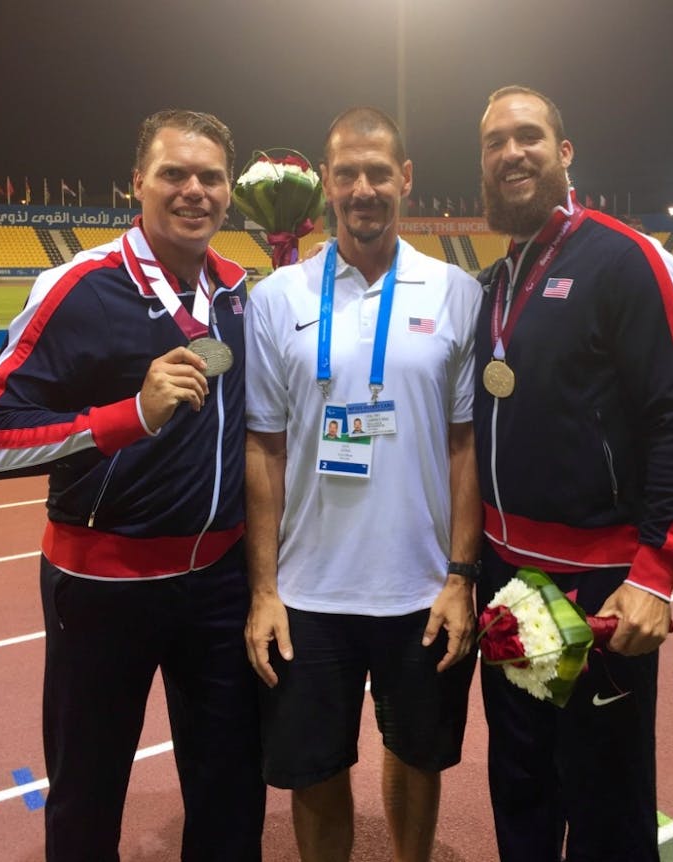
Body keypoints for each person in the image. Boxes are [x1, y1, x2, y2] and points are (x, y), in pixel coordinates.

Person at [0, 109, 265, 861]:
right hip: (102, 585)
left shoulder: (243, 293)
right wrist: (125, 417)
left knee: (230, 787)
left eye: (210, 176)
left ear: (230, 190)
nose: (193, 190)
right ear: (136, 182)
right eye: (174, 173)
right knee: (87, 791)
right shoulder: (79, 286)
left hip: (218, 585)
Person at [474, 85, 673, 862]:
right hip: (509, 580)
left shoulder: (626, 258)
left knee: (608, 808)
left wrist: (654, 573)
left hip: (599, 590)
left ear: (564, 151)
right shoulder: (498, 278)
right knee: (522, 792)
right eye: (493, 143)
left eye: (528, 137)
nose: (511, 153)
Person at [243, 106, 482, 862]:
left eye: (379, 171)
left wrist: (460, 576)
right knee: (313, 772)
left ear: (405, 179)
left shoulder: (455, 291)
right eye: (346, 173)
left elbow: (463, 443)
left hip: (419, 589)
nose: (363, 188)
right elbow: (264, 450)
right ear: (325, 185)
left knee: (416, 757)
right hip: (308, 594)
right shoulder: (278, 298)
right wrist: (263, 591)